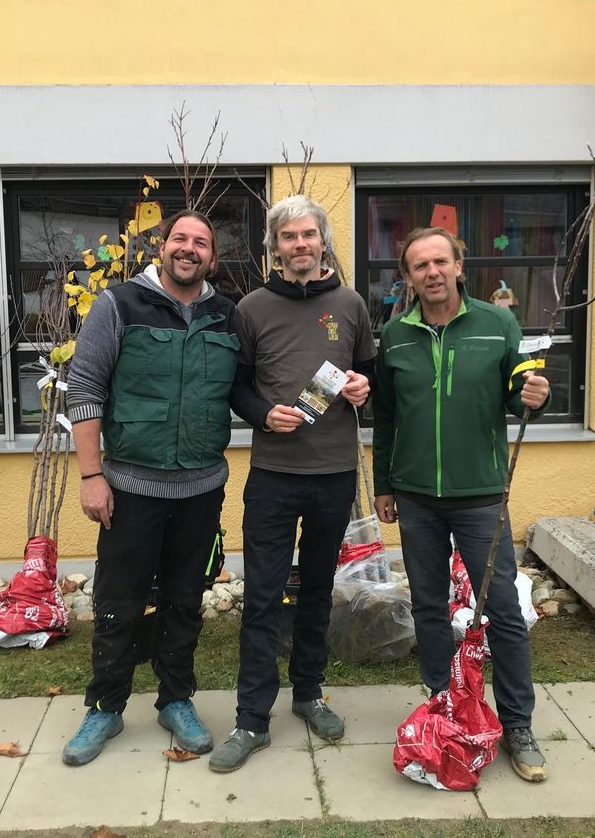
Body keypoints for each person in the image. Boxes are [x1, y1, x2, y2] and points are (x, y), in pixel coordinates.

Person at [372, 226, 551, 783]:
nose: (430, 272)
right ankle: (441, 705)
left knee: (499, 607)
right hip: (417, 496)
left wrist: (536, 399)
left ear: (458, 266)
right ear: (407, 277)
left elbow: (520, 391)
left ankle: (518, 724)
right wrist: (384, 482)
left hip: (480, 495)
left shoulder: (497, 324)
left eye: (439, 262)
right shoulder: (395, 334)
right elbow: (387, 419)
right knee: (428, 605)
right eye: (418, 265)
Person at [62, 210, 240, 766]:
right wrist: (92, 476)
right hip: (130, 488)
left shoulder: (227, 315)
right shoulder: (118, 305)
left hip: (201, 489)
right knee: (119, 602)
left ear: (212, 257)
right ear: (162, 247)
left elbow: (252, 388)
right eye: (180, 239)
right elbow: (84, 389)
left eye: (201, 243)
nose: (189, 249)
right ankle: (105, 707)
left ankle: (176, 699)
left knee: (186, 601)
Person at [209, 195, 376, 772]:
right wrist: (261, 414)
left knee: (317, 592)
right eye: (288, 237)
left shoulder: (351, 304)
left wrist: (362, 388)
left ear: (323, 241)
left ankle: (308, 694)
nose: (300, 245)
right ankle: (251, 720)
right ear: (274, 248)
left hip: (333, 475)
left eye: (309, 235)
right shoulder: (251, 309)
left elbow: (369, 372)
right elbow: (237, 387)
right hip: (274, 477)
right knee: (261, 598)